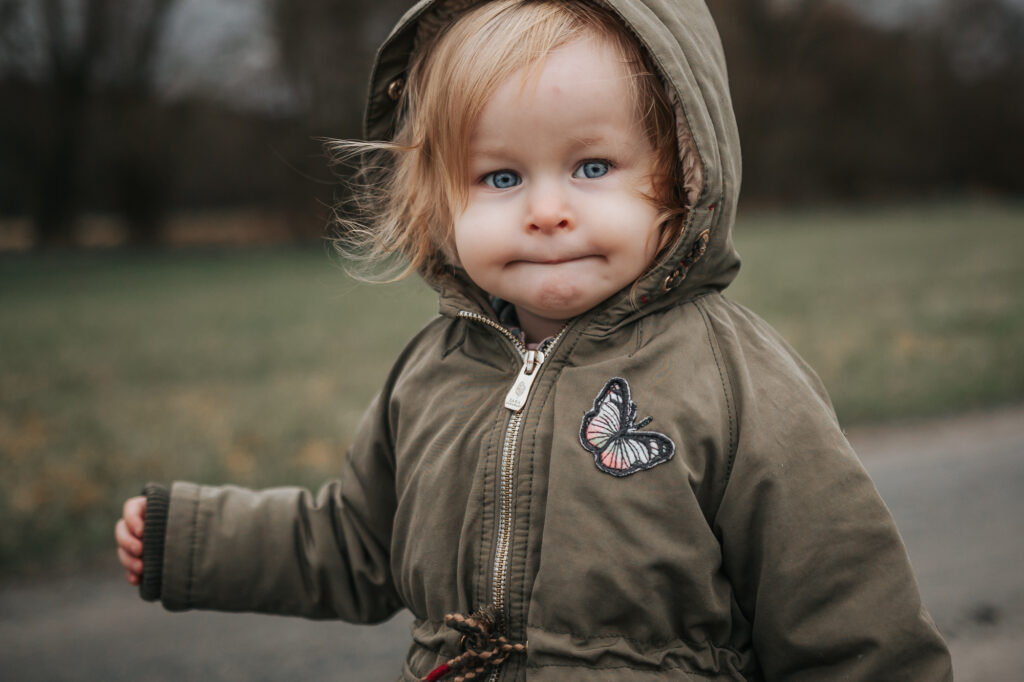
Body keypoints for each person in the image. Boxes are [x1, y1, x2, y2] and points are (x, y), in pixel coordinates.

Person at [115, 1, 953, 679]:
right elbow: (353, 544)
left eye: (592, 167)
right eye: (502, 177)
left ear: (682, 174)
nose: (546, 210)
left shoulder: (735, 381)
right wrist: (191, 539)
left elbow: (852, 622)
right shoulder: (430, 376)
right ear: (441, 203)